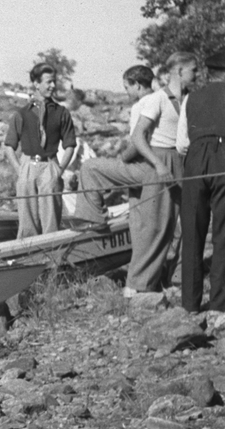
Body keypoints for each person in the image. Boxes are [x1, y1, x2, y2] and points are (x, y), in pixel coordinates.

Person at [70, 64, 179, 294]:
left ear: (137, 85)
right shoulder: (167, 100)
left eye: (127, 87)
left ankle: (92, 221)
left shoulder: (143, 104)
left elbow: (138, 142)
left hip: (145, 167)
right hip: (160, 164)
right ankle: (147, 280)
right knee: (141, 221)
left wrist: (123, 157)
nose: (127, 92)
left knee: (90, 168)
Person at [3, 63, 77, 238]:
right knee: (27, 221)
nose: (53, 85)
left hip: (50, 166)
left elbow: (70, 145)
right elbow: (9, 146)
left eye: (54, 81)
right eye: (48, 82)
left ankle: (52, 249)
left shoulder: (62, 113)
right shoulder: (22, 114)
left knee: (51, 221)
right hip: (28, 166)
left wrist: (59, 170)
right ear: (36, 84)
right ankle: (28, 249)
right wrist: (20, 170)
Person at [176, 51, 225, 312]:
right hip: (223, 159)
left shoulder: (190, 98)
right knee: (222, 234)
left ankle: (190, 304)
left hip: (194, 160)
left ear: (209, 72)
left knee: (192, 232)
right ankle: (219, 305)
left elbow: (181, 144)